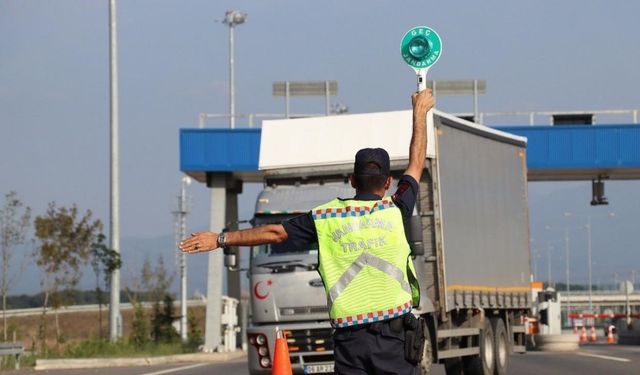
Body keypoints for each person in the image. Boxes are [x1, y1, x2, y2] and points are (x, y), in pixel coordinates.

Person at [179, 89, 434, 374]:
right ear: (388, 182)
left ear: (352, 180)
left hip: (350, 342)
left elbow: (274, 233)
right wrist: (419, 112)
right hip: (394, 339)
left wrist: (219, 238)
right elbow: (415, 163)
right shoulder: (396, 210)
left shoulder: (327, 217)